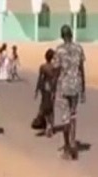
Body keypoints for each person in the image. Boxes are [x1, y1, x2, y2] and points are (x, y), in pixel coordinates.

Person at [54, 24, 86, 160]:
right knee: (73, 116)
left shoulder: (59, 50)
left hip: (64, 86)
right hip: (76, 86)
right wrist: (83, 89)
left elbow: (56, 69)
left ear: (62, 35)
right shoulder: (79, 48)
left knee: (65, 118)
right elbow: (81, 69)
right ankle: (73, 142)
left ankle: (67, 146)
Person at [34, 48, 57, 137]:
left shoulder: (43, 67)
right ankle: (50, 126)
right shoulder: (54, 67)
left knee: (45, 106)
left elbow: (40, 79)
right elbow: (55, 80)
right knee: (51, 108)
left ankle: (48, 125)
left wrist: (37, 90)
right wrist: (55, 91)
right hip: (51, 89)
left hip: (44, 89)